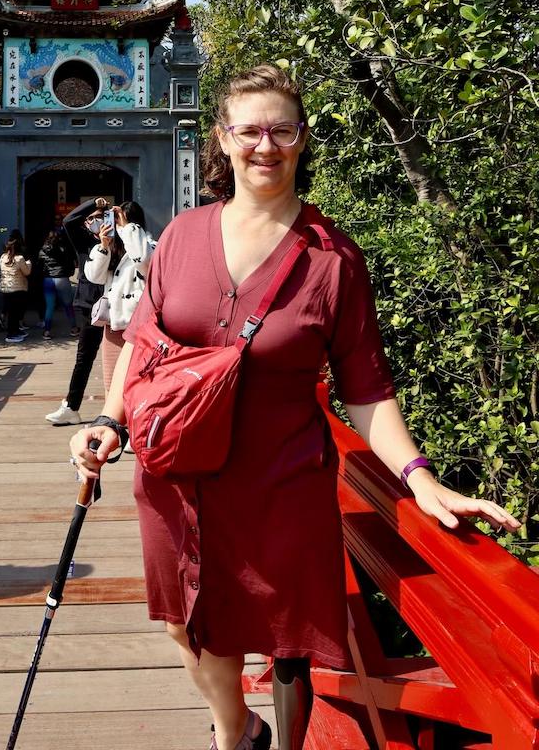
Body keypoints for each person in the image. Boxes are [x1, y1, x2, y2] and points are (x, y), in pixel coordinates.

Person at [69, 65, 521, 750]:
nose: (265, 145)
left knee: (286, 642)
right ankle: (235, 730)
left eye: (282, 129)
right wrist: (109, 421)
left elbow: (365, 389)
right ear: (223, 139)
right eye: (249, 130)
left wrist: (420, 478)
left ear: (302, 140)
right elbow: (142, 341)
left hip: (280, 479)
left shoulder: (333, 260)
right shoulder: (185, 236)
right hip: (175, 472)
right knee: (184, 623)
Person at [83, 200, 154, 396]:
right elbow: (94, 277)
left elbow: (146, 263)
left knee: (139, 382)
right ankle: (113, 425)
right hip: (114, 327)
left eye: (121, 220)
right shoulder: (109, 249)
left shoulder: (149, 246)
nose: (117, 225)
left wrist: (128, 229)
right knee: (111, 382)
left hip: (141, 328)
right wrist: (103, 246)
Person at [45, 199, 106, 426]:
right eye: (91, 218)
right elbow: (70, 221)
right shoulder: (83, 241)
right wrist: (93, 203)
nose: (95, 221)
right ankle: (71, 406)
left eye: (100, 217)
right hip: (90, 305)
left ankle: (125, 412)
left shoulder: (117, 240)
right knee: (84, 358)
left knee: (122, 360)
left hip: (117, 307)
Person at [38, 226, 78, 340]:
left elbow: (40, 265)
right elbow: (71, 263)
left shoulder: (42, 250)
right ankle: (74, 329)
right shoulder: (64, 248)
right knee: (68, 305)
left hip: (48, 279)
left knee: (49, 306)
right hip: (62, 278)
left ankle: (47, 331)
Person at [0, 230, 31, 343]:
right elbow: (27, 272)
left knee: (12, 311)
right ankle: (11, 334)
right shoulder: (20, 258)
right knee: (14, 313)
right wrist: (29, 263)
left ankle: (16, 331)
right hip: (17, 289)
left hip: (5, 288)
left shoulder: (2, 257)